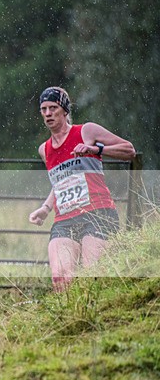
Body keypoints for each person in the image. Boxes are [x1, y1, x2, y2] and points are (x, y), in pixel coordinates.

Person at [28, 86, 135, 291]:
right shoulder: (45, 149)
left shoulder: (86, 131)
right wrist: (45, 208)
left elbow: (129, 150)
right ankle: (73, 320)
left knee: (92, 277)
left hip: (98, 212)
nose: (48, 113)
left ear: (65, 110)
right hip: (65, 218)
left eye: (53, 107)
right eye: (44, 109)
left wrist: (95, 150)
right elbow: (60, 182)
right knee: (61, 280)